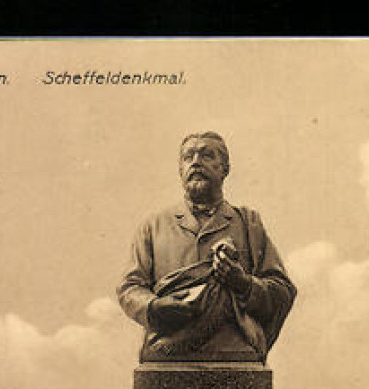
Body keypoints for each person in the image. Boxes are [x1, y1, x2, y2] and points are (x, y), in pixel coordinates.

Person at [117, 132, 296, 362]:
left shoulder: (248, 224)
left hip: (234, 353)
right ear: (180, 170)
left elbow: (282, 291)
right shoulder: (154, 226)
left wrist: (243, 284)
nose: (196, 161)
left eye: (207, 155)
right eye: (188, 157)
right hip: (166, 353)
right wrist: (153, 307)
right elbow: (129, 287)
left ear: (225, 169)